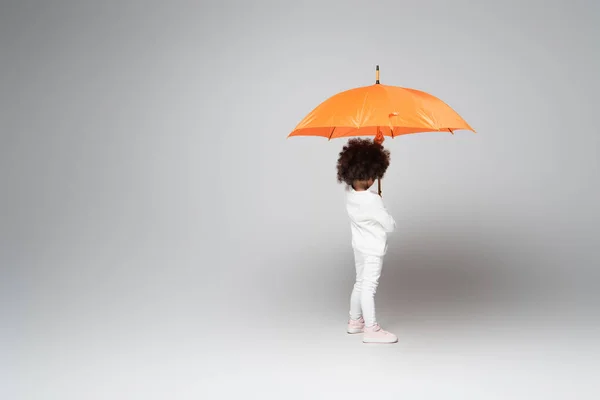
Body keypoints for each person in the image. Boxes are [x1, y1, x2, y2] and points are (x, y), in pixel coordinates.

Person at [336, 137, 398, 344]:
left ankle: (354, 322)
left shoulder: (350, 195)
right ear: (371, 176)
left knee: (360, 283)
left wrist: (375, 146)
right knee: (369, 287)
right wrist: (381, 203)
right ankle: (371, 329)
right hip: (372, 250)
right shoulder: (373, 200)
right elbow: (389, 225)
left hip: (359, 248)